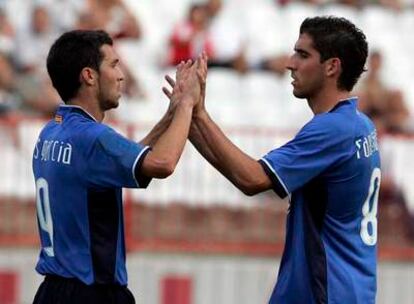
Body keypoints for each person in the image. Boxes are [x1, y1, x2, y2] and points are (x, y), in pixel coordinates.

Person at [167, 17, 381, 303]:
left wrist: (199, 114)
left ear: (332, 66)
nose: (290, 63)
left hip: (324, 292)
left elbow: (252, 179)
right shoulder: (360, 124)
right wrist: (191, 116)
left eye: (303, 55)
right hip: (350, 288)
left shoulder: (332, 129)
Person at [32, 29, 200, 304]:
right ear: (89, 76)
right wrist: (187, 105)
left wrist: (168, 117)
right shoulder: (93, 138)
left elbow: (118, 161)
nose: (121, 75)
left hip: (52, 291)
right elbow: (163, 163)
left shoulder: (51, 133)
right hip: (91, 291)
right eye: (113, 65)